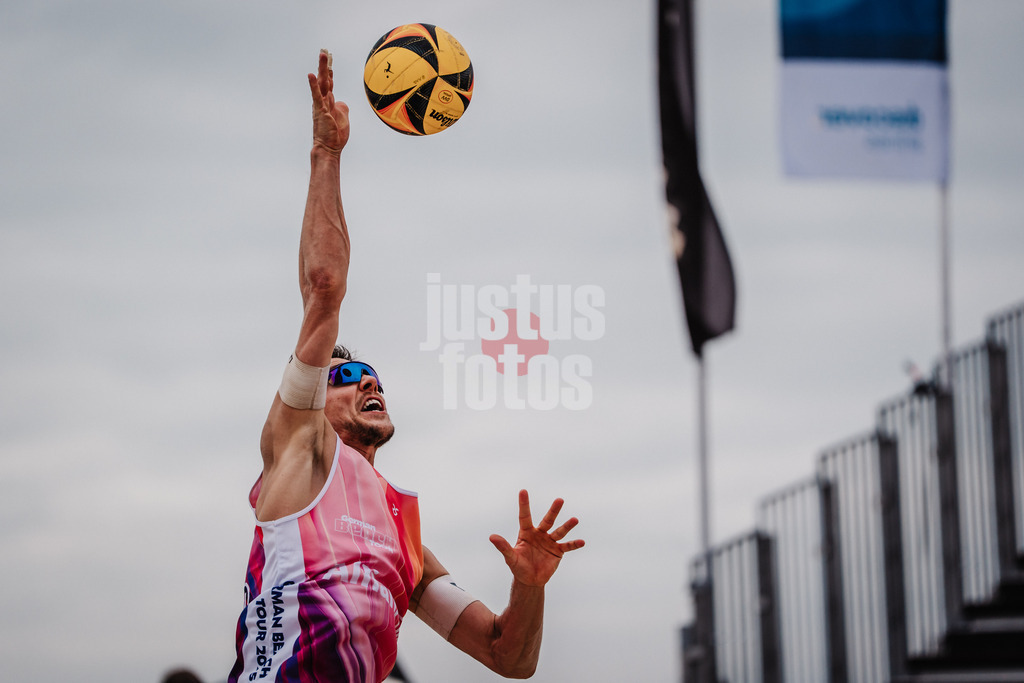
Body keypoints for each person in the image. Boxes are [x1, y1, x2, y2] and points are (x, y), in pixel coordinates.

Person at [228, 50, 584, 683]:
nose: (368, 379)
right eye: (344, 375)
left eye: (374, 374)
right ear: (313, 402)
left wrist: (530, 586)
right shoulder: (299, 450)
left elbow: (509, 657)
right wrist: (327, 155)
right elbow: (323, 288)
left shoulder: (404, 540)